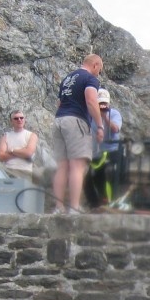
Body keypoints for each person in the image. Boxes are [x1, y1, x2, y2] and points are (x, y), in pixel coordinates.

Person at [52, 53, 105, 213]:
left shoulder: (67, 79)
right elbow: (91, 100)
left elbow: (60, 102)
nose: (98, 73)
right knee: (77, 166)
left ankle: (58, 207)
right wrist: (100, 126)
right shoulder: (90, 79)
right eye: (99, 70)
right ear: (95, 65)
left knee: (62, 166)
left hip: (59, 120)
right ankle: (74, 208)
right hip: (76, 121)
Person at [86, 88, 123, 206]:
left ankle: (111, 200)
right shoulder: (90, 116)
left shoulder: (115, 114)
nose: (102, 106)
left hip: (112, 150)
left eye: (104, 104)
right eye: (100, 104)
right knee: (88, 175)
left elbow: (116, 129)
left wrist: (105, 117)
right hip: (97, 151)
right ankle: (95, 203)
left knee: (110, 172)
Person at [0, 110, 38, 182]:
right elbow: (0, 156)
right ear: (11, 121)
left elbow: (29, 153)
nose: (19, 120)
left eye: (21, 118)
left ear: (24, 119)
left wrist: (11, 151)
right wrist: (22, 152)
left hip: (24, 172)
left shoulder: (31, 135)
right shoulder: (5, 136)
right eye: (16, 118)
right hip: (8, 171)